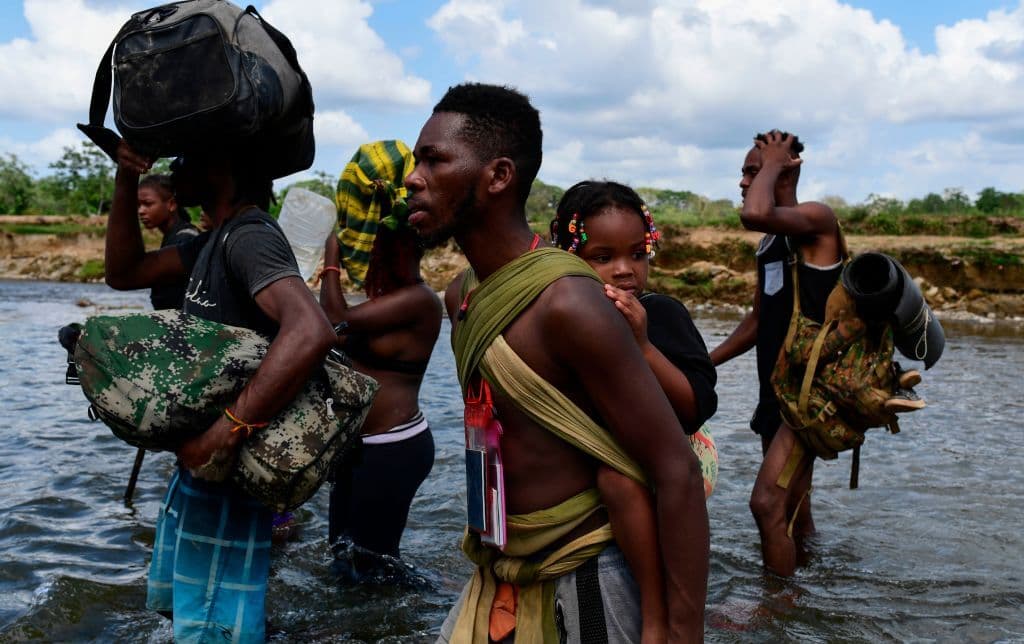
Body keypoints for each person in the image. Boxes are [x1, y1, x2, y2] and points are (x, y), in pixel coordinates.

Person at [406, 83, 709, 643]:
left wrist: (680, 630)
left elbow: (677, 469)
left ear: (499, 176)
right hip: (499, 569)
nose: (413, 177)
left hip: (586, 575)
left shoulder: (568, 303)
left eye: (434, 160)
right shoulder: (461, 295)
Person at [104, 139, 337, 641]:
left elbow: (310, 329)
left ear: (223, 166)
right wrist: (125, 176)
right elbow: (122, 273)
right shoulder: (214, 240)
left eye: (188, 157)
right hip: (206, 467)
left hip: (229, 466)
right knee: (198, 614)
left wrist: (224, 433)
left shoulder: (249, 237)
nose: (176, 167)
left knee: (214, 626)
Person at [550, 179, 719, 642]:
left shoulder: (661, 313)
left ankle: (654, 611)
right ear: (566, 257)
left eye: (637, 255)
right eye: (603, 257)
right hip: (625, 451)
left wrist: (642, 345)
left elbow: (695, 406)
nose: (624, 270)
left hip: (684, 453)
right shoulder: (566, 319)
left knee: (615, 479)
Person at [709, 129, 842, 577]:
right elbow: (757, 321)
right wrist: (703, 363)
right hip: (777, 393)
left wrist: (773, 162)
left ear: (787, 170)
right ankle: (813, 580)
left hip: (809, 398)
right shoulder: (770, 244)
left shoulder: (817, 222)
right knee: (794, 509)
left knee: (766, 503)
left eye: (753, 171)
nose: (744, 182)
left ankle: (779, 604)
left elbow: (755, 213)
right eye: (746, 172)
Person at [318, 140, 442, 581]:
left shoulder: (420, 301)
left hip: (394, 446)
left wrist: (331, 261)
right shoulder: (388, 302)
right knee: (343, 558)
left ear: (400, 250)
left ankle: (433, 601)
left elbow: (335, 318)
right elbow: (334, 337)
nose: (371, 257)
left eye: (378, 249)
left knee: (373, 565)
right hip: (359, 446)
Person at [136, 173, 198, 310]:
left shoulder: (185, 239)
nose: (141, 211)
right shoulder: (174, 236)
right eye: (138, 205)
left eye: (147, 204)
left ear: (171, 204)